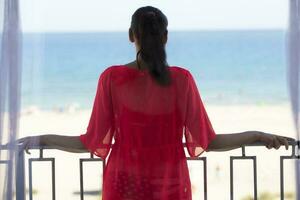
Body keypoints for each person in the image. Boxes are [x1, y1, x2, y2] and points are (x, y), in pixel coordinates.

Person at [15, 6, 295, 200]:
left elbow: (90, 143)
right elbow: (208, 142)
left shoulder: (111, 78)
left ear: (131, 35)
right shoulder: (182, 80)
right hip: (169, 183)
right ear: (165, 37)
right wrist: (257, 135)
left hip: (122, 182)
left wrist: (40, 139)